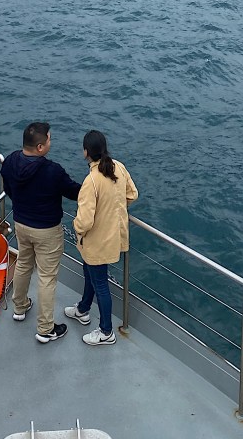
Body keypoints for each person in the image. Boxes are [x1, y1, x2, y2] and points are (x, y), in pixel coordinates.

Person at [0, 121, 80, 343]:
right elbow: (75, 192)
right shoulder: (52, 171)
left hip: (21, 224)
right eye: (49, 139)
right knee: (47, 278)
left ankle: (20, 307)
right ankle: (45, 329)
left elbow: (8, 188)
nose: (51, 142)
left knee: (23, 263)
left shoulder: (10, 161)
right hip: (47, 231)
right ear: (40, 147)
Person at [67, 129, 138, 346]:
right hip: (113, 237)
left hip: (96, 241)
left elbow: (85, 222)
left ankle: (106, 331)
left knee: (100, 285)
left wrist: (75, 227)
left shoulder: (91, 181)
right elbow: (132, 194)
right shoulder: (119, 167)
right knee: (90, 274)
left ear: (86, 152)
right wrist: (116, 210)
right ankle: (83, 309)